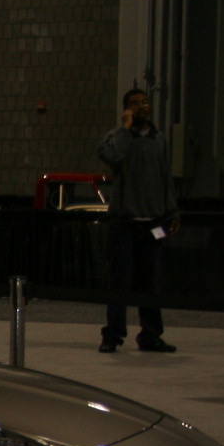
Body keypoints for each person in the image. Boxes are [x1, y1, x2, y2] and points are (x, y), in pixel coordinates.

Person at [97, 88, 178, 353]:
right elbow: (111, 156)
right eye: (136, 103)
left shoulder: (159, 139)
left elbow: (166, 178)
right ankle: (113, 335)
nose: (143, 106)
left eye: (145, 102)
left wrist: (171, 212)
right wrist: (125, 129)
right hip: (124, 222)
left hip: (154, 222)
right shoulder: (117, 137)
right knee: (119, 281)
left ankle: (151, 335)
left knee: (151, 282)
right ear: (127, 109)